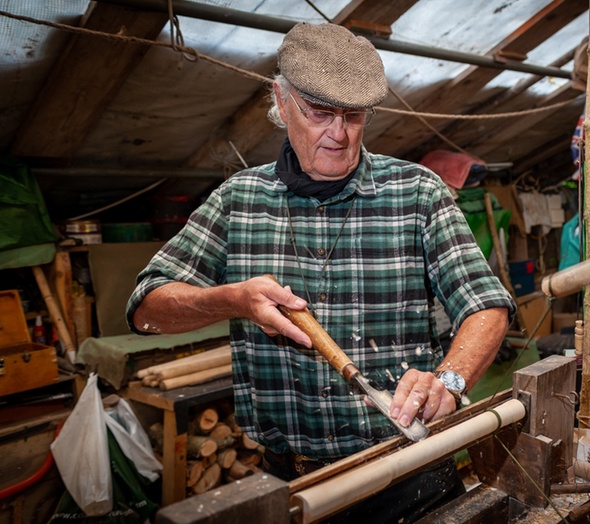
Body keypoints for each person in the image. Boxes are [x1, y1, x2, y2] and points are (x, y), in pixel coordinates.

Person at [127, 22, 515, 521]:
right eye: (319, 113)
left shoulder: (419, 193)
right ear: (281, 100)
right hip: (295, 482)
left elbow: (486, 304)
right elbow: (145, 309)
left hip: (411, 468)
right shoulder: (237, 201)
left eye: (353, 116)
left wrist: (451, 380)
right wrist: (232, 300)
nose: (338, 134)